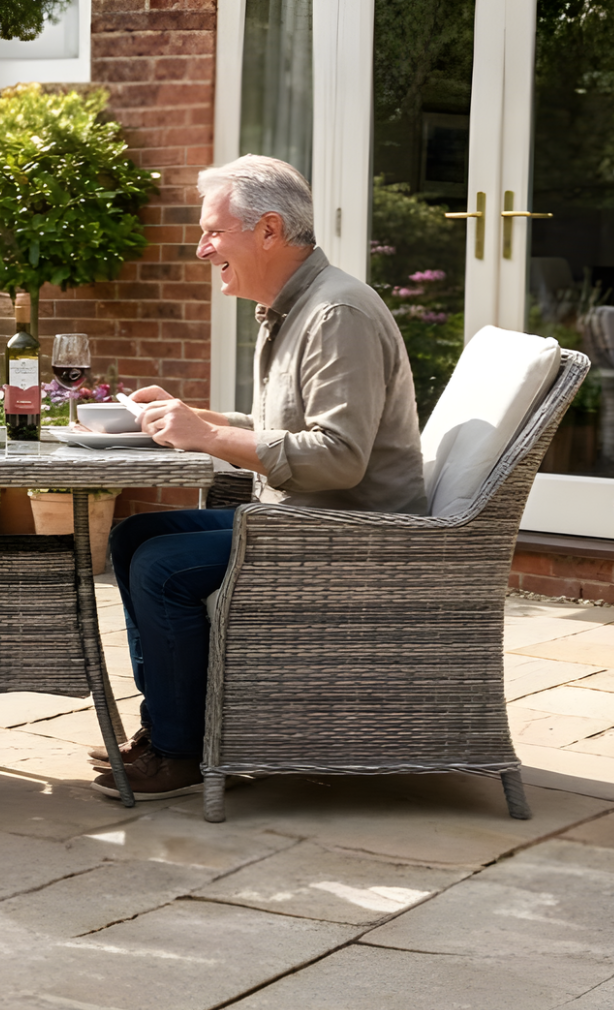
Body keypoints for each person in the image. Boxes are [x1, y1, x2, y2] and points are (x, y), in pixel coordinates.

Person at [91, 154, 426, 801]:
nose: (200, 248)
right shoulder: (293, 309)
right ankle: (168, 729)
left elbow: (338, 457)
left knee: (163, 566)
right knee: (134, 538)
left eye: (214, 231)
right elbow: (284, 424)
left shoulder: (337, 315)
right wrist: (194, 416)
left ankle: (183, 751)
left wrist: (210, 437)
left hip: (356, 538)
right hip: (303, 518)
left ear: (269, 231)